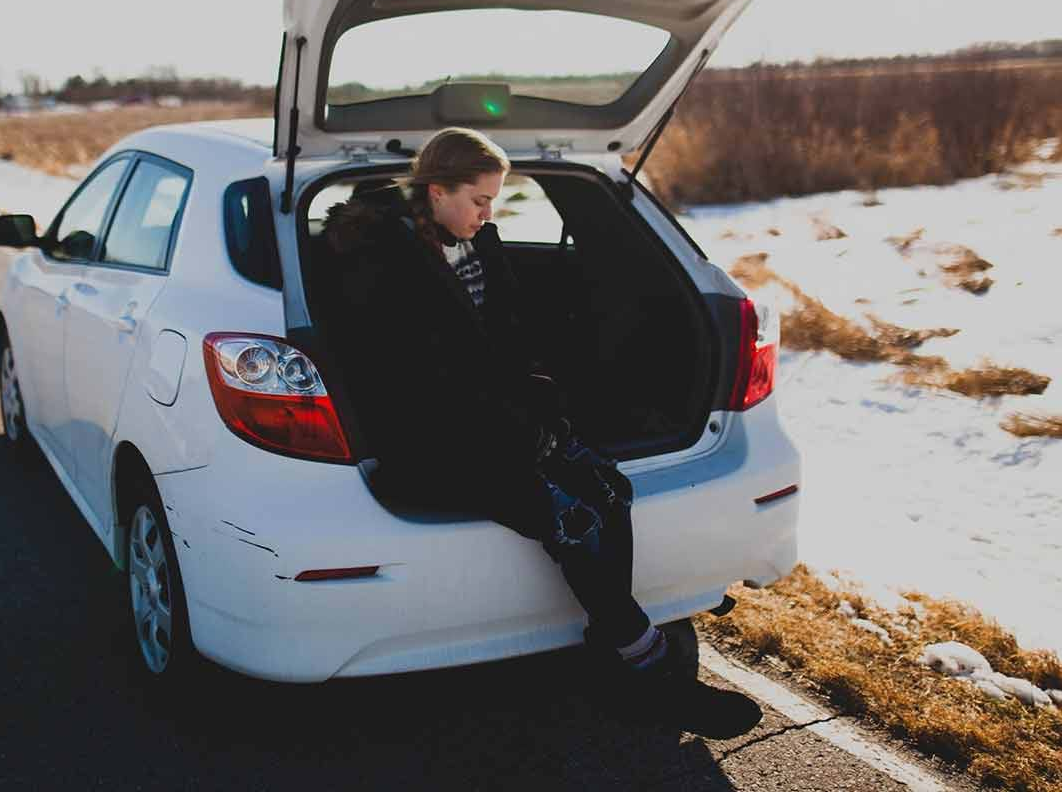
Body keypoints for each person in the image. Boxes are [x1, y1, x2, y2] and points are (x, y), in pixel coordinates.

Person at [324, 127, 757, 730]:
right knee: (572, 521)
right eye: (480, 201)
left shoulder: (466, 244)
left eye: (496, 201)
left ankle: (615, 642)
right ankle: (648, 668)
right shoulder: (385, 265)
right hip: (430, 444)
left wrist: (537, 408)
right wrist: (518, 427)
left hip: (497, 423)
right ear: (438, 190)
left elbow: (502, 345)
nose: (488, 213)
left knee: (610, 490)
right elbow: (417, 384)